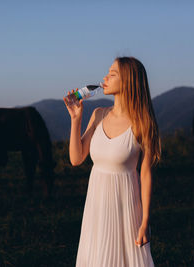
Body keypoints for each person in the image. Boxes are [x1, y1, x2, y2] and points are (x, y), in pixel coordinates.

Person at [63, 56, 161, 267]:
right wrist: (76, 119)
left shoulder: (143, 123)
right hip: (96, 208)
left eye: (112, 74)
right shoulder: (98, 115)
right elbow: (76, 158)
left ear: (128, 80)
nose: (105, 77)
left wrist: (145, 221)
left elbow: (145, 174)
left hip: (126, 210)